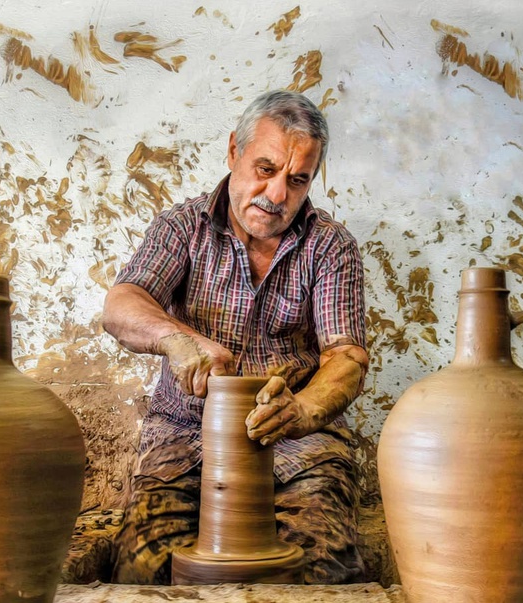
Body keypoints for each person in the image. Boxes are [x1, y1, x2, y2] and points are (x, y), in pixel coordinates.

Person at [103, 89, 368, 585]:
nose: (275, 195)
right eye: (265, 169)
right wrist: (174, 338)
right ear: (233, 152)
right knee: (141, 567)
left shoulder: (330, 246)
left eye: (297, 180)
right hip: (182, 433)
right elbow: (121, 305)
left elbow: (346, 358)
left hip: (297, 438)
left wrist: (305, 410)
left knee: (322, 565)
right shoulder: (182, 227)